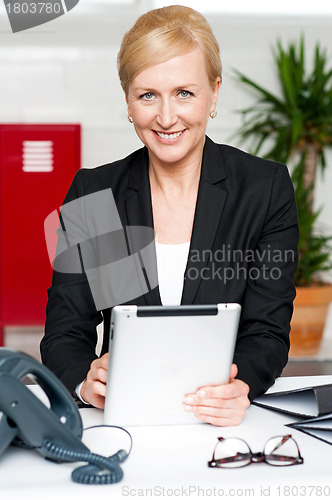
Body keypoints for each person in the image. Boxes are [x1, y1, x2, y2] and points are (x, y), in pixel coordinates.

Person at [40, 5, 298, 427]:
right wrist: (84, 383)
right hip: (122, 422)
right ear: (127, 100)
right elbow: (67, 331)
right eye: (147, 95)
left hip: (223, 423)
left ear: (214, 93)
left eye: (184, 93)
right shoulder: (97, 193)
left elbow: (266, 331)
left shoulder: (263, 189)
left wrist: (242, 384)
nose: (165, 117)